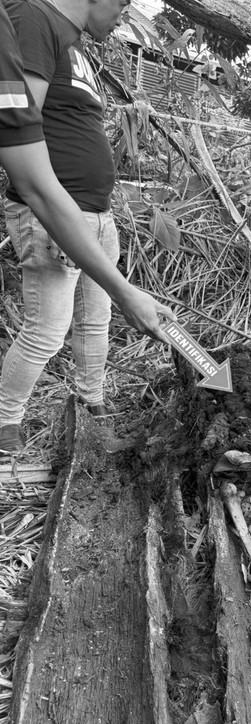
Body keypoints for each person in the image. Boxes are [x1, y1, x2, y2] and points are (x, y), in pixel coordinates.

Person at [0, 0, 174, 455]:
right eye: (123, 2)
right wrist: (58, 223)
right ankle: (4, 422)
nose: (125, 12)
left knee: (96, 320)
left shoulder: (77, 46)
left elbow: (72, 128)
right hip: (57, 217)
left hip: (98, 213)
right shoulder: (34, 19)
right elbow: (20, 128)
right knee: (47, 329)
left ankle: (91, 405)